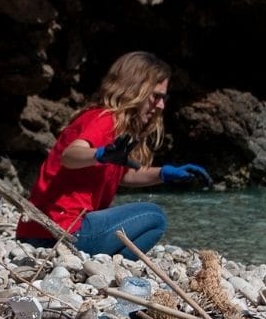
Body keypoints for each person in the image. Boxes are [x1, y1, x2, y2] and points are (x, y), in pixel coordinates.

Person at [16, 52, 212, 259]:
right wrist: (100, 154)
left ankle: (105, 263)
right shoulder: (104, 119)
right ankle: (114, 263)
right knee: (155, 216)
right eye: (156, 96)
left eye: (164, 98)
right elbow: (70, 155)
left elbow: (124, 175)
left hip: (36, 233)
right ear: (135, 89)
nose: (161, 106)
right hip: (62, 231)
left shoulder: (112, 125)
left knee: (149, 220)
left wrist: (163, 174)